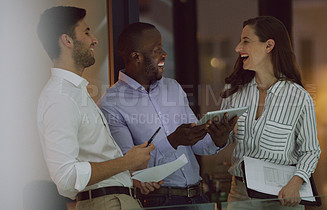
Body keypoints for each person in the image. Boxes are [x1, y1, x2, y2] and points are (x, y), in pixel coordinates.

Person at [97, 22, 237, 208]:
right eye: (157, 50)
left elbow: (198, 146)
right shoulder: (111, 103)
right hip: (160, 202)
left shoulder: (173, 87)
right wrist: (172, 141)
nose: (164, 54)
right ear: (136, 57)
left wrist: (218, 140)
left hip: (199, 196)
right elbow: (129, 167)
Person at [36, 6, 159, 210]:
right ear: (66, 41)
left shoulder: (74, 92)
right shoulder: (60, 97)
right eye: (86, 32)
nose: (95, 39)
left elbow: (92, 161)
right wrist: (126, 162)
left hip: (113, 200)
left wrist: (126, 176)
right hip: (107, 204)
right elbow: (66, 177)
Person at [218, 16, 321, 209]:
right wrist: (219, 135)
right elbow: (225, 140)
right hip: (241, 195)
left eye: (246, 41)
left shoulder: (298, 97)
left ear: (269, 46)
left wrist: (296, 183)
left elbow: (310, 150)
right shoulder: (234, 90)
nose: (238, 48)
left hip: (283, 196)